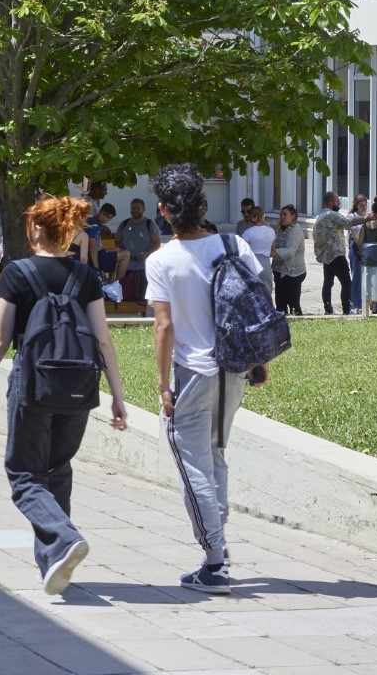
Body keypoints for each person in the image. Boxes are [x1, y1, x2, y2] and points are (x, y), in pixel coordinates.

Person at [0, 194, 127, 597]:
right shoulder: (85, 276)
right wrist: (117, 395)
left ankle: (63, 538)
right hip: (79, 386)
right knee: (57, 470)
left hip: (33, 384)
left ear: (37, 229)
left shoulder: (16, 274)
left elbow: (1, 339)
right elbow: (103, 340)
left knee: (24, 475)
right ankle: (54, 563)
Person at [145, 163, 266, 596]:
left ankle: (215, 563)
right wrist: (259, 359)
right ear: (203, 206)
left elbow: (164, 327)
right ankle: (219, 540)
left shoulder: (161, 260)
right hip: (234, 368)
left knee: (191, 460)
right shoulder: (234, 244)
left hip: (192, 373)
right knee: (214, 453)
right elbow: (256, 304)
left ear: (163, 210)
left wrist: (163, 385)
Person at [311, 192, 361, 316]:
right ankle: (346, 311)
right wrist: (367, 219)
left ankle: (328, 309)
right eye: (337, 201)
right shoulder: (332, 215)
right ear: (330, 202)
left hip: (326, 256)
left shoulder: (321, 216)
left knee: (328, 283)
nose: (339, 203)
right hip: (336, 255)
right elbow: (349, 223)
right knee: (346, 283)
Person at [115, 199, 161, 303]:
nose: (135, 210)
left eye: (138, 208)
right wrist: (125, 253)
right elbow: (117, 242)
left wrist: (145, 253)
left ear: (143, 209)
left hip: (143, 269)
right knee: (125, 299)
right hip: (126, 269)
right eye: (133, 208)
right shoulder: (124, 224)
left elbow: (157, 243)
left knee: (141, 301)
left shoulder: (150, 224)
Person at [270, 206, 307, 315]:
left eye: (285, 214)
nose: (282, 217)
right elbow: (274, 244)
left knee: (293, 305)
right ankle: (282, 323)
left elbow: (290, 251)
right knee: (280, 305)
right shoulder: (281, 229)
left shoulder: (295, 229)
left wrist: (269, 253)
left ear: (293, 216)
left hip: (293, 273)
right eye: (281, 215)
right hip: (279, 271)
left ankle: (298, 323)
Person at [241, 206, 276, 296]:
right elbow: (273, 248)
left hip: (252, 261)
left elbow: (243, 250)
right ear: (262, 216)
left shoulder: (248, 232)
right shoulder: (271, 231)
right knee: (267, 289)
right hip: (266, 261)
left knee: (252, 291)